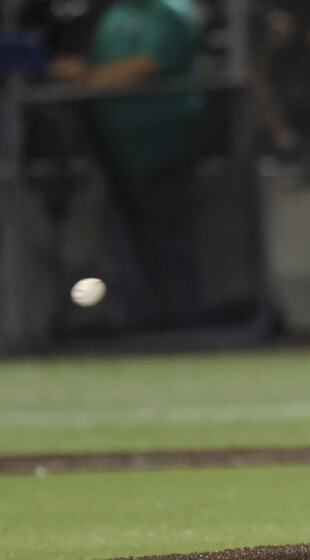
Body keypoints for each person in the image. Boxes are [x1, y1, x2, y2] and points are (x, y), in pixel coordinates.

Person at [49, 0, 206, 330]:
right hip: (117, 150)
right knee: (125, 239)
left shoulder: (172, 11)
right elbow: (99, 63)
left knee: (169, 236)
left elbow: (148, 65)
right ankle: (144, 320)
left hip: (166, 147)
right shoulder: (116, 14)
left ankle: (187, 323)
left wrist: (88, 76)